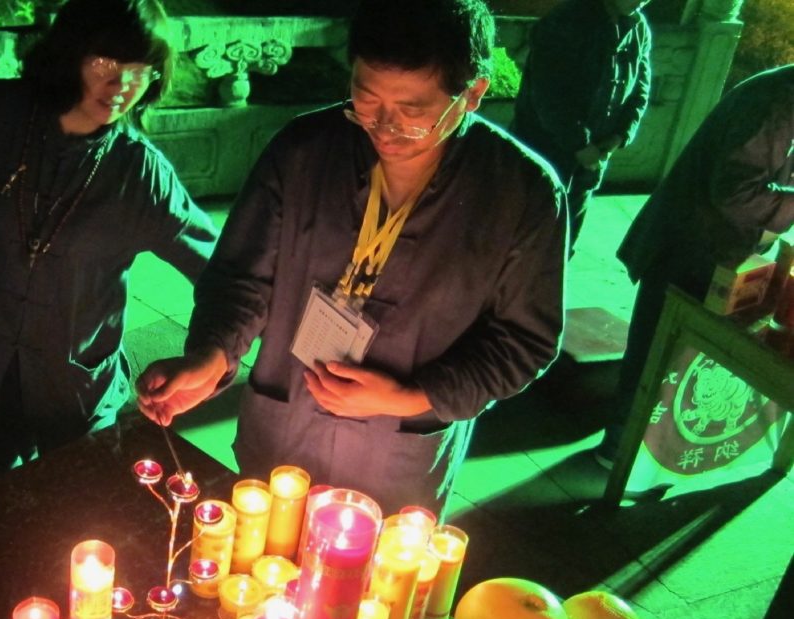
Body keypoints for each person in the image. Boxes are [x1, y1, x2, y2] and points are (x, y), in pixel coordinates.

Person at [137, 0, 566, 516]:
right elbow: (240, 276)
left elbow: (525, 340)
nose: (384, 128)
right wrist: (212, 354)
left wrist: (410, 397)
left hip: (397, 453)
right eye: (365, 100)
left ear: (473, 92)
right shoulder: (304, 152)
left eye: (413, 112)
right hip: (285, 422)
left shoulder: (521, 193)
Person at [0, 0, 217, 480]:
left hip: (76, 378)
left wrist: (207, 358)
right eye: (106, 64)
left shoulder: (139, 172)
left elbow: (222, 270)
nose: (122, 86)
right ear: (71, 54)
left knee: (83, 502)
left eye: (141, 70)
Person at [597, 64, 794, 462]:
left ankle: (641, 448)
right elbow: (736, 191)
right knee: (658, 354)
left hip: (720, 247)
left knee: (675, 357)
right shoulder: (775, 102)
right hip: (691, 244)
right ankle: (620, 450)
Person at [510, 0, 651, 255]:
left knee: (563, 246)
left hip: (589, 163)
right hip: (543, 156)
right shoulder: (566, 21)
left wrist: (620, 135)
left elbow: (640, 88)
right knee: (523, 241)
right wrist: (579, 144)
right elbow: (548, 94)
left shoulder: (638, 28)